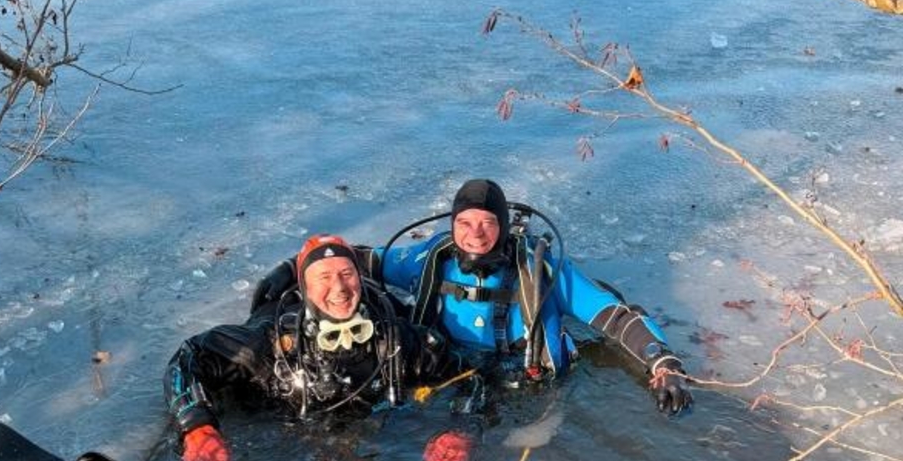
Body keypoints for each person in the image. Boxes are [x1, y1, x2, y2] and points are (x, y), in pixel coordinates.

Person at [254, 180, 693, 415]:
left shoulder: (540, 269)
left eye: (487, 223)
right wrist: (293, 267)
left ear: (503, 225)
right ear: (452, 224)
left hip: (531, 386)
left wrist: (663, 364)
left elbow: (613, 317)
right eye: (465, 222)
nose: (475, 234)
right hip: (447, 376)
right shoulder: (431, 258)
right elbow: (360, 263)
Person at [164, 234, 471, 461]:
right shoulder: (270, 346)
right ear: (305, 288)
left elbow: (470, 376)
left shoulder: (396, 340)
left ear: (360, 280)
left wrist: (462, 430)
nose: (338, 288)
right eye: (323, 277)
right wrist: (196, 426)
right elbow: (189, 357)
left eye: (347, 274)